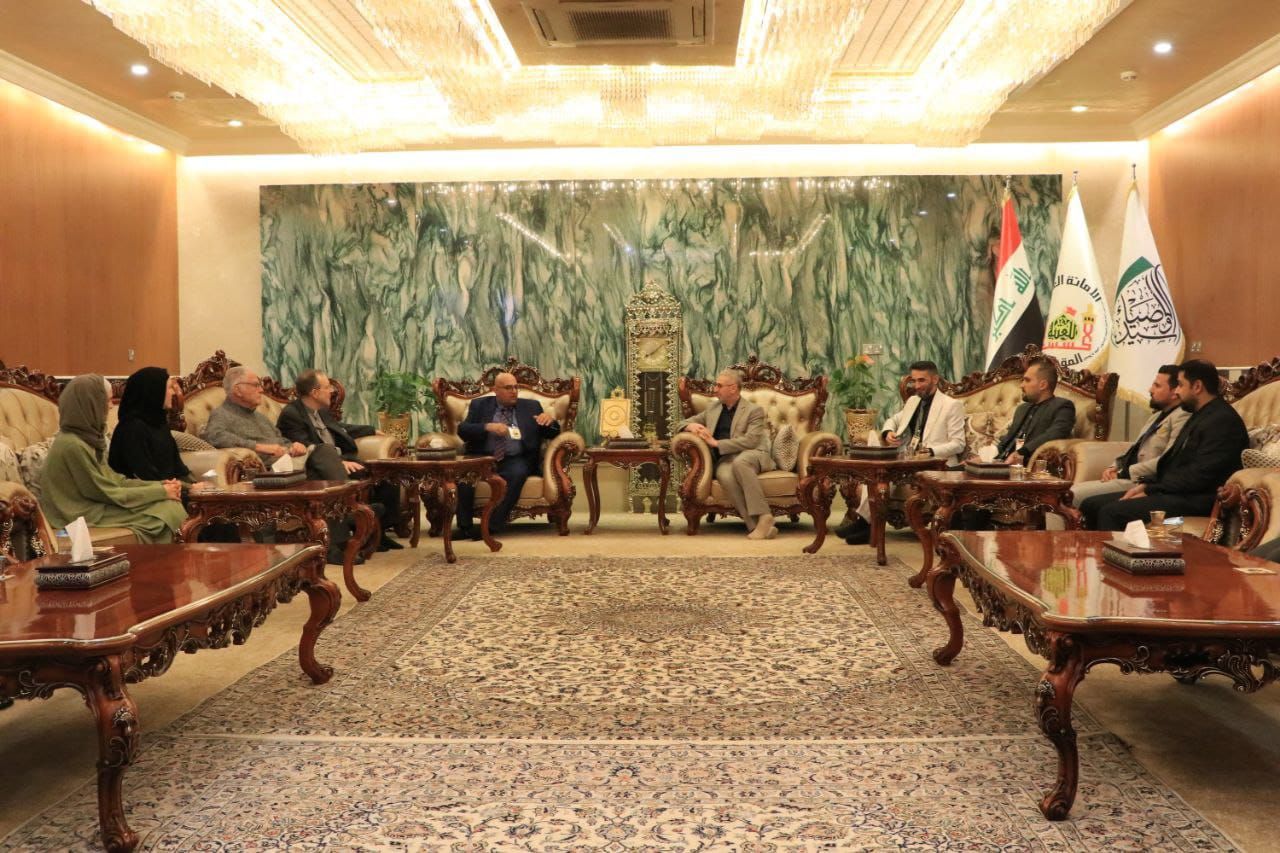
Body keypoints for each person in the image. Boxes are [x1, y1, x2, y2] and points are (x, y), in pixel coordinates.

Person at [1079, 359, 1250, 530]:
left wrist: (1151, 490)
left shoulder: (1222, 421)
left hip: (1199, 499)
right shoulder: (1200, 415)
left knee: (1112, 512)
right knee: (1091, 504)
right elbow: (1172, 462)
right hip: (1178, 492)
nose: (1177, 391)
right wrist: (1146, 486)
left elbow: (1199, 476)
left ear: (1197, 387)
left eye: (1180, 385)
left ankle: (1113, 549)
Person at [40, 374, 187, 544]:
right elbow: (104, 491)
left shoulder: (88, 437)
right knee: (165, 511)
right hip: (78, 512)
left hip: (97, 502)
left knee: (169, 506)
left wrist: (160, 485)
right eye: (108, 401)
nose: (111, 406)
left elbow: (114, 480)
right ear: (91, 404)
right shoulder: (71, 444)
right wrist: (161, 492)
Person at [841, 360, 966, 545]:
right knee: (877, 475)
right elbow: (893, 419)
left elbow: (958, 444)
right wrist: (887, 432)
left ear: (935, 379)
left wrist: (930, 451)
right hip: (909, 461)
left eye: (922, 380)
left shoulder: (951, 405)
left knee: (883, 477)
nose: (916, 386)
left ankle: (866, 526)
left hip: (936, 464)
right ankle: (867, 525)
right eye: (914, 381)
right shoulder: (913, 401)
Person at [276, 369, 402, 550]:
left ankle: (379, 531)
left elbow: (339, 428)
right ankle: (360, 526)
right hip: (320, 467)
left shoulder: (321, 411)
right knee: (363, 475)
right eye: (327, 387)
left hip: (341, 458)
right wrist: (339, 462)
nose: (332, 391)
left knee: (387, 474)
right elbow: (308, 448)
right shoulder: (292, 415)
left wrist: (370, 430)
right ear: (315, 392)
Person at [455, 371, 561, 538]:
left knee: (518, 473)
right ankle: (464, 528)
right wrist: (487, 427)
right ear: (495, 390)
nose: (514, 391)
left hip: (515, 459)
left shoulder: (531, 407)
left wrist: (550, 421)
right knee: (464, 476)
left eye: (516, 387)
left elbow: (553, 433)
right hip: (482, 458)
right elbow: (463, 430)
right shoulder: (479, 405)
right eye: (508, 388)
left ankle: (490, 527)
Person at [678, 369, 778, 540]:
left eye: (719, 385)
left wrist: (717, 444)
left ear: (733, 388)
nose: (715, 389)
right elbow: (681, 423)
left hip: (754, 454)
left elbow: (751, 441)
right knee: (724, 474)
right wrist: (690, 426)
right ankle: (756, 526)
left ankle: (764, 514)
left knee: (741, 462)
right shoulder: (713, 408)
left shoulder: (754, 410)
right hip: (726, 459)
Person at [1069, 365, 1189, 506]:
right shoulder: (1157, 415)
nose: (1150, 390)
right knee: (1067, 492)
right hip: (1126, 476)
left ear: (1174, 392)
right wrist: (1114, 467)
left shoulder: (1182, 416)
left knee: (1071, 495)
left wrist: (1123, 472)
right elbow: (1135, 448)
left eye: (1157, 386)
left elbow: (1168, 459)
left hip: (1143, 481)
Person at [202, 366, 308, 466]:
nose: (261, 390)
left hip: (291, 463)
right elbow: (215, 436)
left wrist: (294, 447)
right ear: (238, 390)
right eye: (256, 385)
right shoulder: (221, 413)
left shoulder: (261, 417)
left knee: (314, 454)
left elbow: (280, 440)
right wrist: (258, 447)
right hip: (266, 470)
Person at [993, 357, 1076, 465]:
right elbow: (1007, 441)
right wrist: (986, 457)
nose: (1021, 385)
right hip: (999, 463)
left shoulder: (1062, 406)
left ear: (1043, 385)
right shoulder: (1022, 409)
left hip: (1027, 467)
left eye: (1027, 380)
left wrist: (1022, 452)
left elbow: (1054, 434)